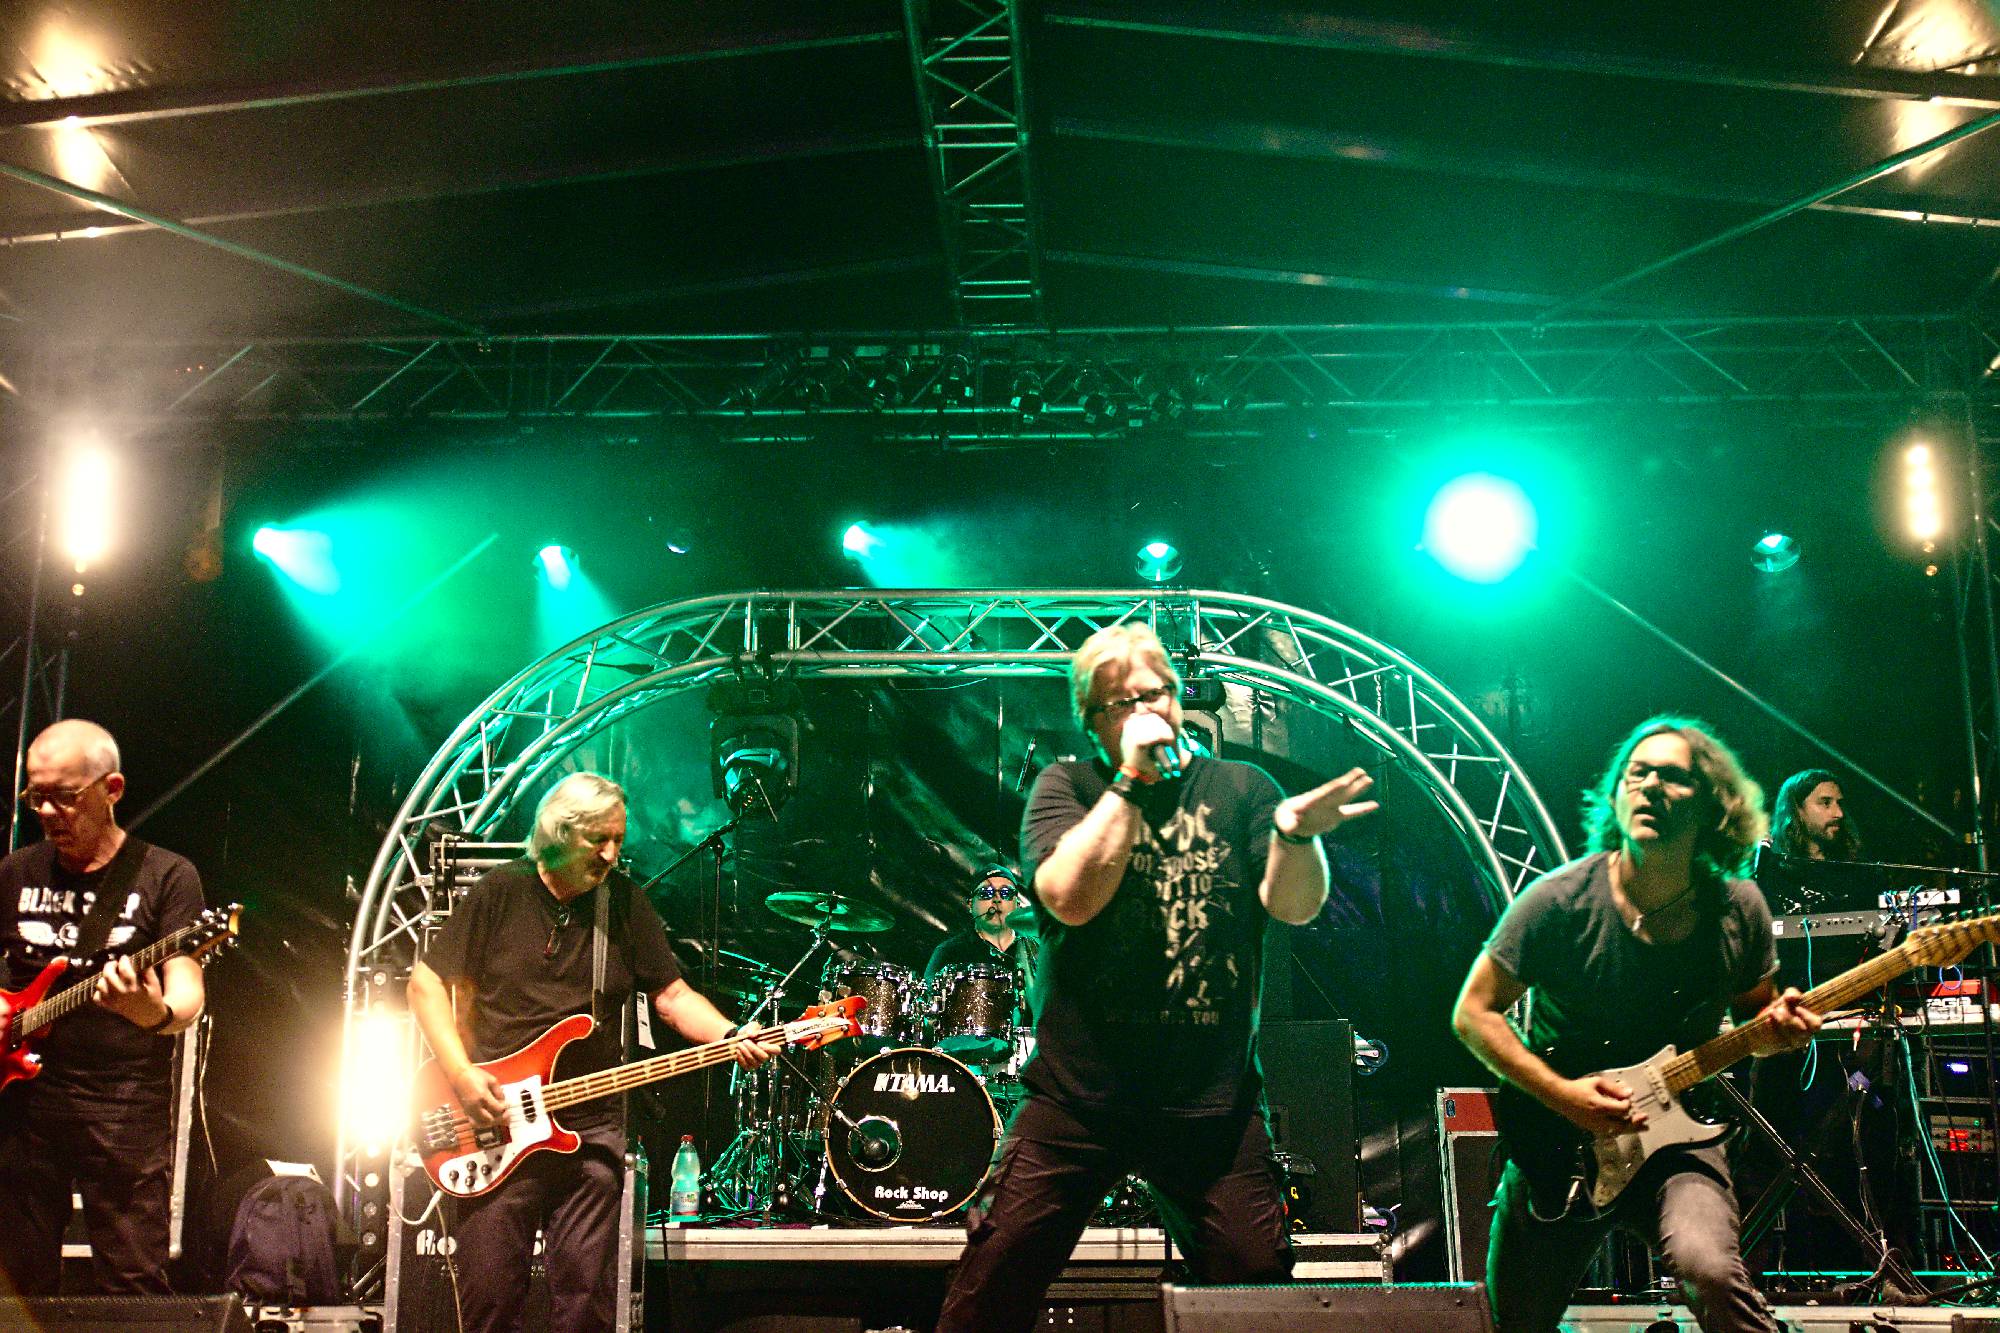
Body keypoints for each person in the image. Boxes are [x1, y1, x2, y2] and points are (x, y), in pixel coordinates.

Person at [935, 624, 1379, 1333]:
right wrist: (1131, 783)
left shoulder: (1242, 788)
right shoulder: (1066, 787)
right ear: (1092, 721)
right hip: (1077, 1099)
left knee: (1256, 1291)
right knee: (991, 1283)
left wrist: (1296, 836)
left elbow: (1295, 905)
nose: (1147, 709)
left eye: (1158, 692)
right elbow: (1070, 899)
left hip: (1211, 1105)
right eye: (1123, 701)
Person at [1452, 716, 1822, 1333]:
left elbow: (1756, 1020)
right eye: (1637, 774)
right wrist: (1564, 1096)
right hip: (1558, 1150)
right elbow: (1473, 1012)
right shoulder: (1559, 901)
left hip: (1679, 1144)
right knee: (1518, 1322)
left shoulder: (1738, 910)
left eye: (1671, 776)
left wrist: (1779, 1031)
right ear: (1617, 795)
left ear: (1713, 805)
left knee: (1712, 1273)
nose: (1649, 786)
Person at [407, 773, 775, 1333]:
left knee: (586, 1307)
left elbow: (673, 997)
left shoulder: (623, 905)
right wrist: (459, 1075)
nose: (610, 854)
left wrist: (730, 1034)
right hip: (493, 1125)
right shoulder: (500, 893)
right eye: (597, 840)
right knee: (490, 1301)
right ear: (558, 834)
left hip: (590, 1131)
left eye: (618, 840)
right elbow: (426, 984)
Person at [0, 719, 206, 1296]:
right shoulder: (15, 873)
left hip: (123, 1105)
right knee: (17, 1283)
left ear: (111, 789)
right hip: (22, 1104)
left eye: (65, 796)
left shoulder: (166, 875)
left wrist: (153, 1013)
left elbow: (187, 991)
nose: (47, 812)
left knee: (132, 1279)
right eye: (36, 796)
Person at [924, 863, 1039, 986]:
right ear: (970, 905)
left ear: (1018, 905)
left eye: (1006, 892)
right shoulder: (948, 952)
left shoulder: (1038, 950)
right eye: (986, 893)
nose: (997, 899)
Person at [1769, 769, 1858, 863]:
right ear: (1797, 809)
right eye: (1826, 803)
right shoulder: (1770, 867)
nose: (1840, 814)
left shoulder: (1852, 865)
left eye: (1839, 803)